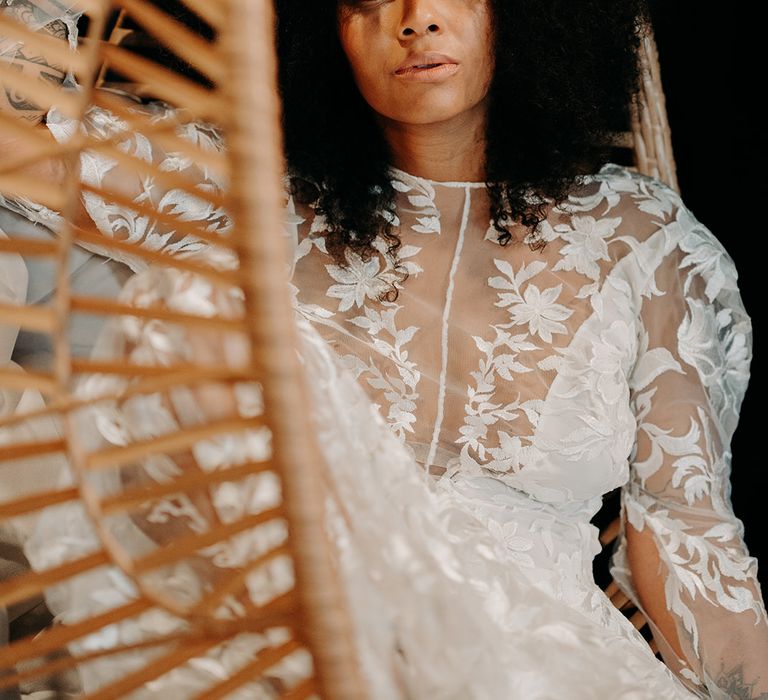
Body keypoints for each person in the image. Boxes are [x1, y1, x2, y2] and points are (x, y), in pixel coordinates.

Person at [0, 1, 766, 698]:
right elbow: (20, 128)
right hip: (287, 640)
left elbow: (689, 539)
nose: (416, 19)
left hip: (545, 669)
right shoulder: (250, 198)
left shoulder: (647, 241)